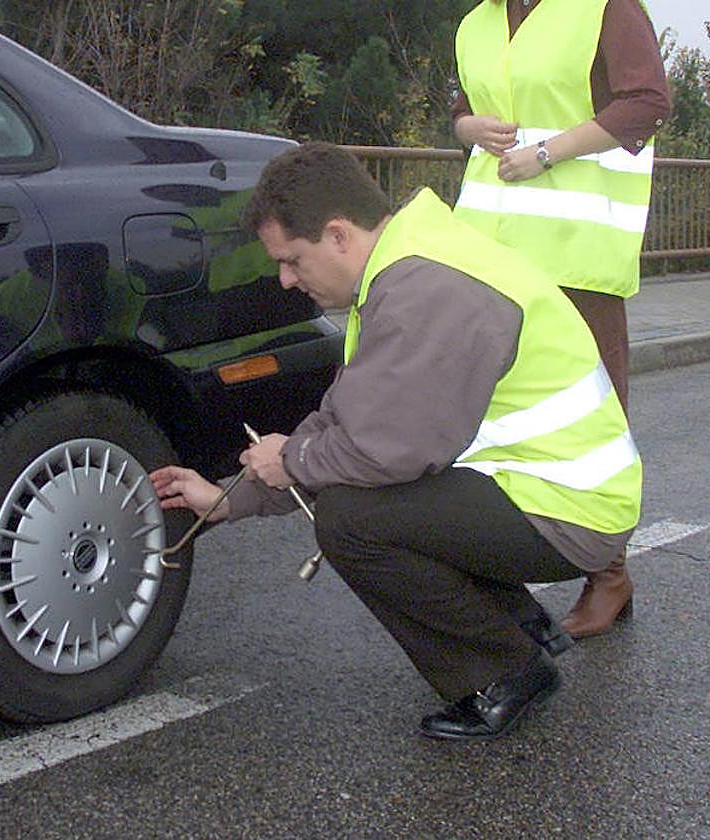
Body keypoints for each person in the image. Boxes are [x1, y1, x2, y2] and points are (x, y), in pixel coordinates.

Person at [150, 142, 641, 741]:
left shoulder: (424, 290)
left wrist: (292, 460)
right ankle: (520, 626)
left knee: (352, 519)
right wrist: (235, 499)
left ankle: (504, 672)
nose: (285, 279)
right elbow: (347, 418)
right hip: (546, 487)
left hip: (570, 510)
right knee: (372, 499)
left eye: (292, 260)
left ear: (337, 236)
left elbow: (383, 453)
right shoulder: (407, 259)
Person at [452, 0, 670, 638]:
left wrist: (548, 153)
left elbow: (647, 102)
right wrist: (470, 130)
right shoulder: (476, 22)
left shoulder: (604, 7)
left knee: (593, 411)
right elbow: (460, 107)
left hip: (577, 253)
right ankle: (501, 566)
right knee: (494, 412)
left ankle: (610, 574)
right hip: (491, 251)